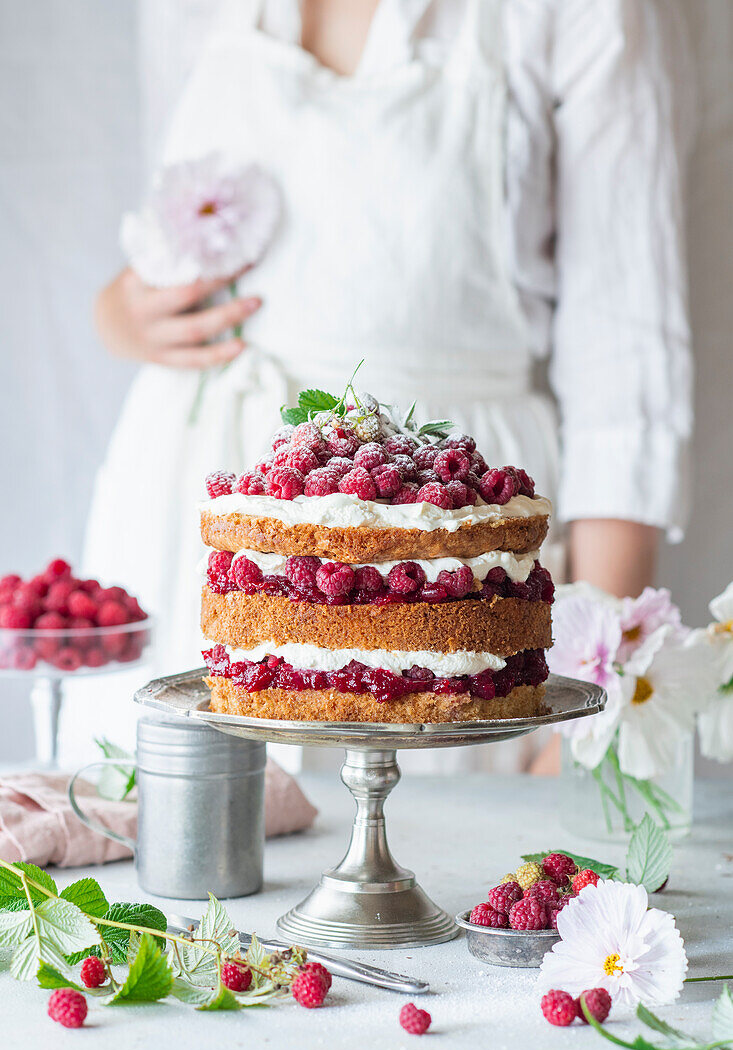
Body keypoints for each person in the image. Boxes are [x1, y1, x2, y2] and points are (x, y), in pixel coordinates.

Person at [88, 0, 694, 774]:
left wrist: (583, 723)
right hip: (194, 510)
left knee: (424, 865)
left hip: (444, 555)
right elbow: (174, 233)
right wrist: (120, 316)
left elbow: (626, 372)